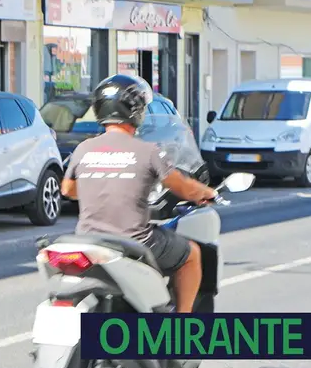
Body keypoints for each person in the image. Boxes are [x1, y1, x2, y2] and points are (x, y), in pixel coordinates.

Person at [60, 74, 217, 314]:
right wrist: (206, 192)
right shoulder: (147, 151)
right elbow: (183, 187)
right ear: (136, 110)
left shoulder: (84, 149)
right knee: (192, 254)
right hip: (134, 241)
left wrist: (102, 181)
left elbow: (68, 189)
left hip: (88, 239)